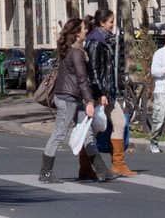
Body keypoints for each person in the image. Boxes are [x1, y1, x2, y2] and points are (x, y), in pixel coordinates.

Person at [39, 15, 111, 183]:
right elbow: (81, 79)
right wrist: (90, 102)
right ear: (77, 33)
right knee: (59, 133)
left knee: (87, 133)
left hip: (71, 97)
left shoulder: (69, 50)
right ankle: (45, 172)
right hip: (68, 98)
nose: (86, 31)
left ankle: (101, 170)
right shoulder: (76, 52)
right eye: (84, 29)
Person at [84, 10, 118, 178]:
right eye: (111, 22)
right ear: (102, 23)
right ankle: (86, 167)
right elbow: (94, 70)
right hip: (100, 91)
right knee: (94, 129)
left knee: (119, 123)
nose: (113, 25)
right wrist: (100, 92)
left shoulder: (108, 40)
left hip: (110, 89)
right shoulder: (95, 41)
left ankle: (118, 163)